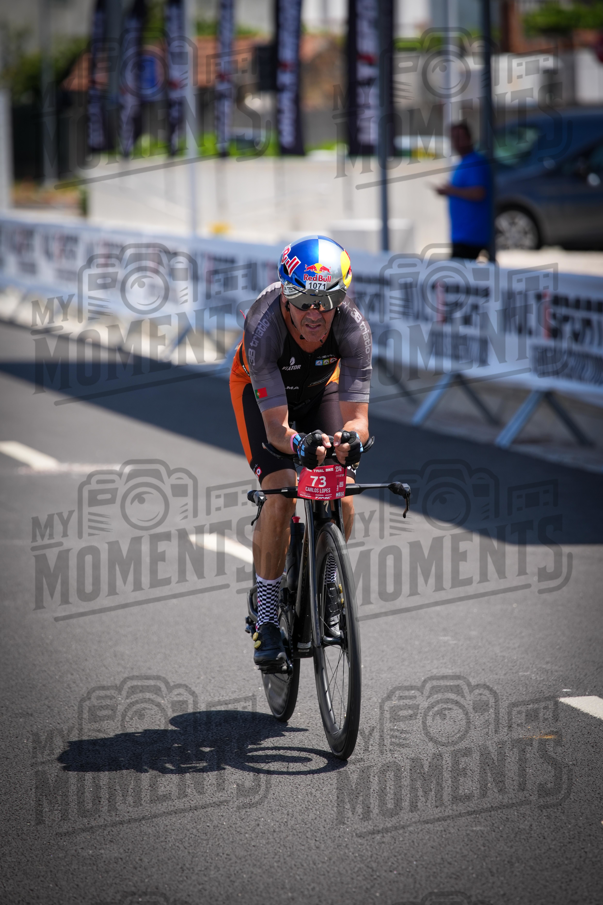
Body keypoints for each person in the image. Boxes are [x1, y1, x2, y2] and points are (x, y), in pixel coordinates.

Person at [229, 235, 372, 670]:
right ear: (287, 296)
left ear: (341, 298)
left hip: (318, 391)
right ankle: (268, 617)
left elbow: (359, 420)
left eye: (327, 300)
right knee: (282, 491)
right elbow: (276, 428)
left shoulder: (352, 328)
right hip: (263, 400)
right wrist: (299, 444)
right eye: (303, 300)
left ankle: (328, 582)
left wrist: (349, 441)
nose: (315, 313)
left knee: (342, 489)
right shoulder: (263, 326)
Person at [435, 121, 492, 260]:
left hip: (471, 236)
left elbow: (479, 193)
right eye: (453, 138)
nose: (456, 142)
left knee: (456, 277)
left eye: (460, 137)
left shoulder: (475, 162)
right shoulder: (461, 163)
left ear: (469, 138)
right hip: (461, 234)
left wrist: (452, 191)